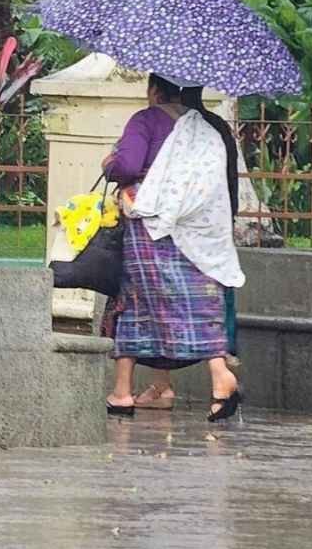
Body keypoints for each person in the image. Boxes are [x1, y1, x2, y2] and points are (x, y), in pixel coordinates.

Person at [101, 74, 244, 421]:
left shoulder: (146, 120)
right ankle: (210, 377)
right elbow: (225, 180)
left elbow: (129, 165)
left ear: (154, 90)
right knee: (198, 301)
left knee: (134, 301)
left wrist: (109, 164)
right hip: (199, 229)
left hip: (150, 228)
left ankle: (122, 392)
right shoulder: (213, 127)